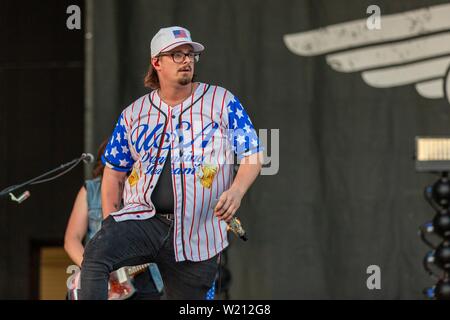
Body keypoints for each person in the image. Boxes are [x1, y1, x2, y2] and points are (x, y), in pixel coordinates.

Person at [79, 26, 262, 300]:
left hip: (197, 229)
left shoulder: (222, 101)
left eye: (190, 54)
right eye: (176, 55)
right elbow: (114, 172)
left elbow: (253, 154)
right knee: (96, 252)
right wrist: (111, 225)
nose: (187, 60)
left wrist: (236, 191)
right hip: (145, 220)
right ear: (156, 62)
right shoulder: (134, 114)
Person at [64, 140, 163, 300]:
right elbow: (71, 239)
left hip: (144, 279)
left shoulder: (149, 191)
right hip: (101, 278)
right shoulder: (91, 190)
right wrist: (94, 268)